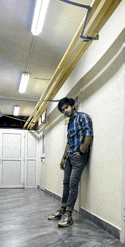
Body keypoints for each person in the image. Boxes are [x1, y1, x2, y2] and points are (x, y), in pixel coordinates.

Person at [48, 97, 93, 227]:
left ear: (72, 106)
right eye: (63, 110)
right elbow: (68, 142)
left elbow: (89, 134)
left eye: (66, 108)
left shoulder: (83, 117)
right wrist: (63, 157)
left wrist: (82, 151)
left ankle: (68, 215)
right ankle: (62, 210)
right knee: (66, 184)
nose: (65, 111)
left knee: (73, 184)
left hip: (79, 157)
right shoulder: (69, 122)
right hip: (69, 157)